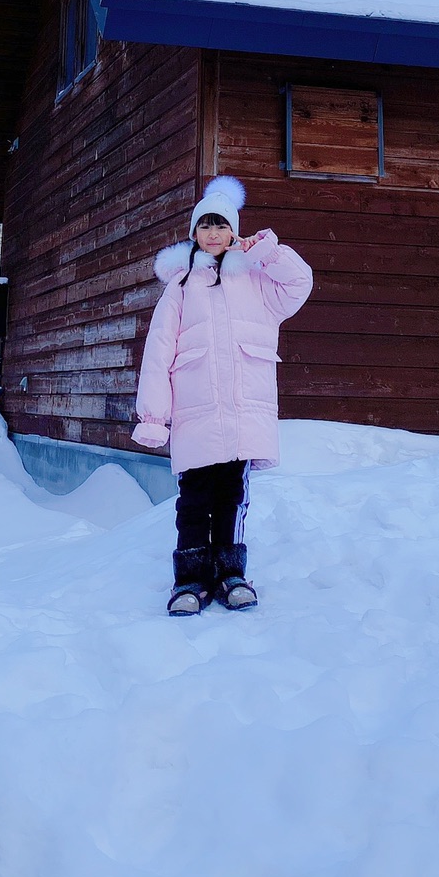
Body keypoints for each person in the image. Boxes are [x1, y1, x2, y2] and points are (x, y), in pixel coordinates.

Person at [133, 175, 313, 616]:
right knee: (194, 500)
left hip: (241, 414)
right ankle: (189, 582)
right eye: (204, 227)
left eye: (220, 226)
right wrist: (154, 417)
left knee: (232, 499)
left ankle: (231, 575)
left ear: (233, 231)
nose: (212, 234)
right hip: (196, 414)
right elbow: (158, 353)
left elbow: (299, 283)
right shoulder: (178, 288)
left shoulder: (257, 282)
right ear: (193, 234)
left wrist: (264, 251)